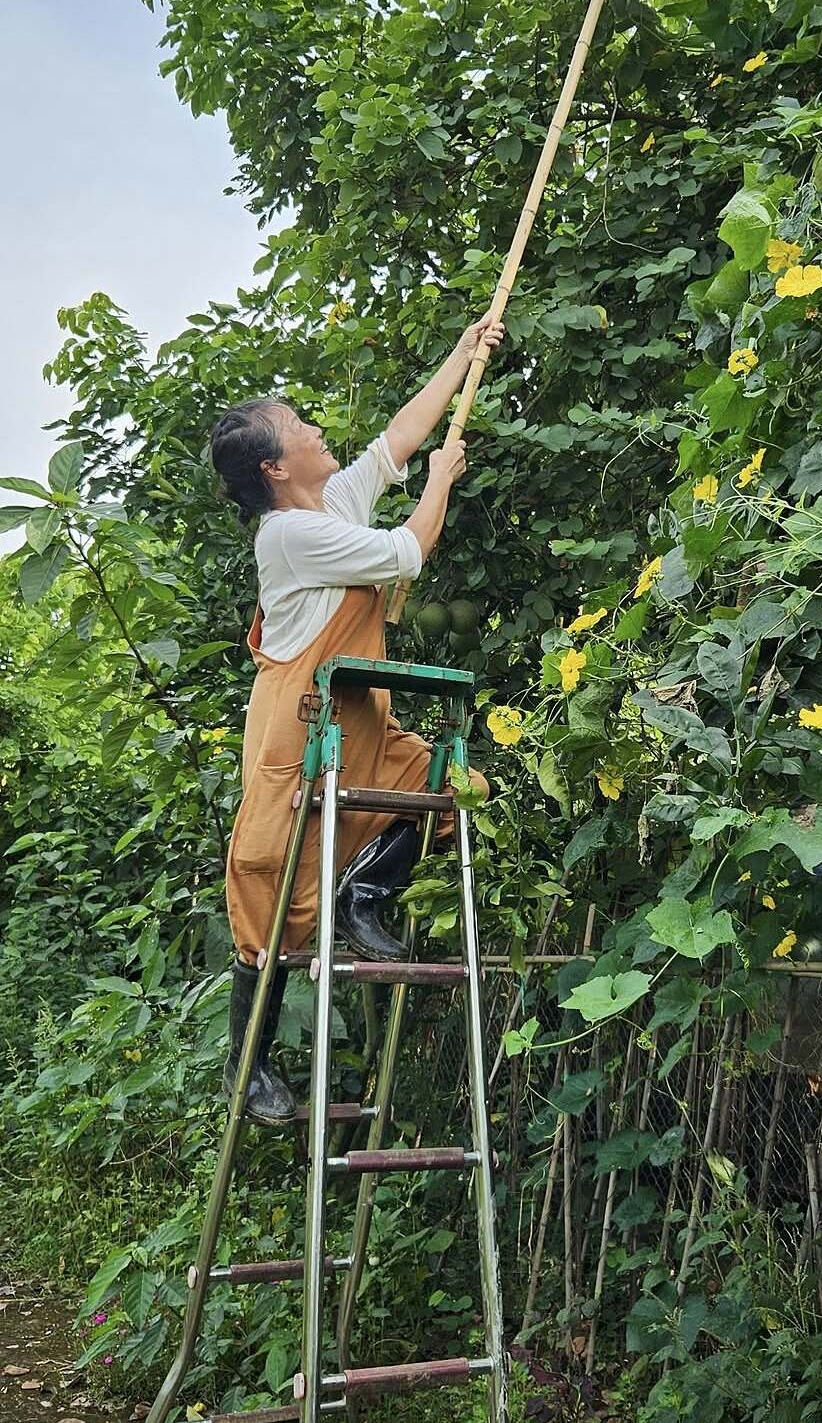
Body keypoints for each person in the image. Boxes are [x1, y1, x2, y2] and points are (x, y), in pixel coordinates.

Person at [208, 312, 502, 1123]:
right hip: (299, 729)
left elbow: (395, 441)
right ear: (274, 465)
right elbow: (409, 550)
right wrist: (443, 478)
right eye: (298, 426)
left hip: (362, 721)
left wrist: (463, 347)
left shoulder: (328, 500)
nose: (315, 428)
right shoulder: (291, 535)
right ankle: (249, 1064)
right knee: (271, 896)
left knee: (453, 786)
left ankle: (362, 894)